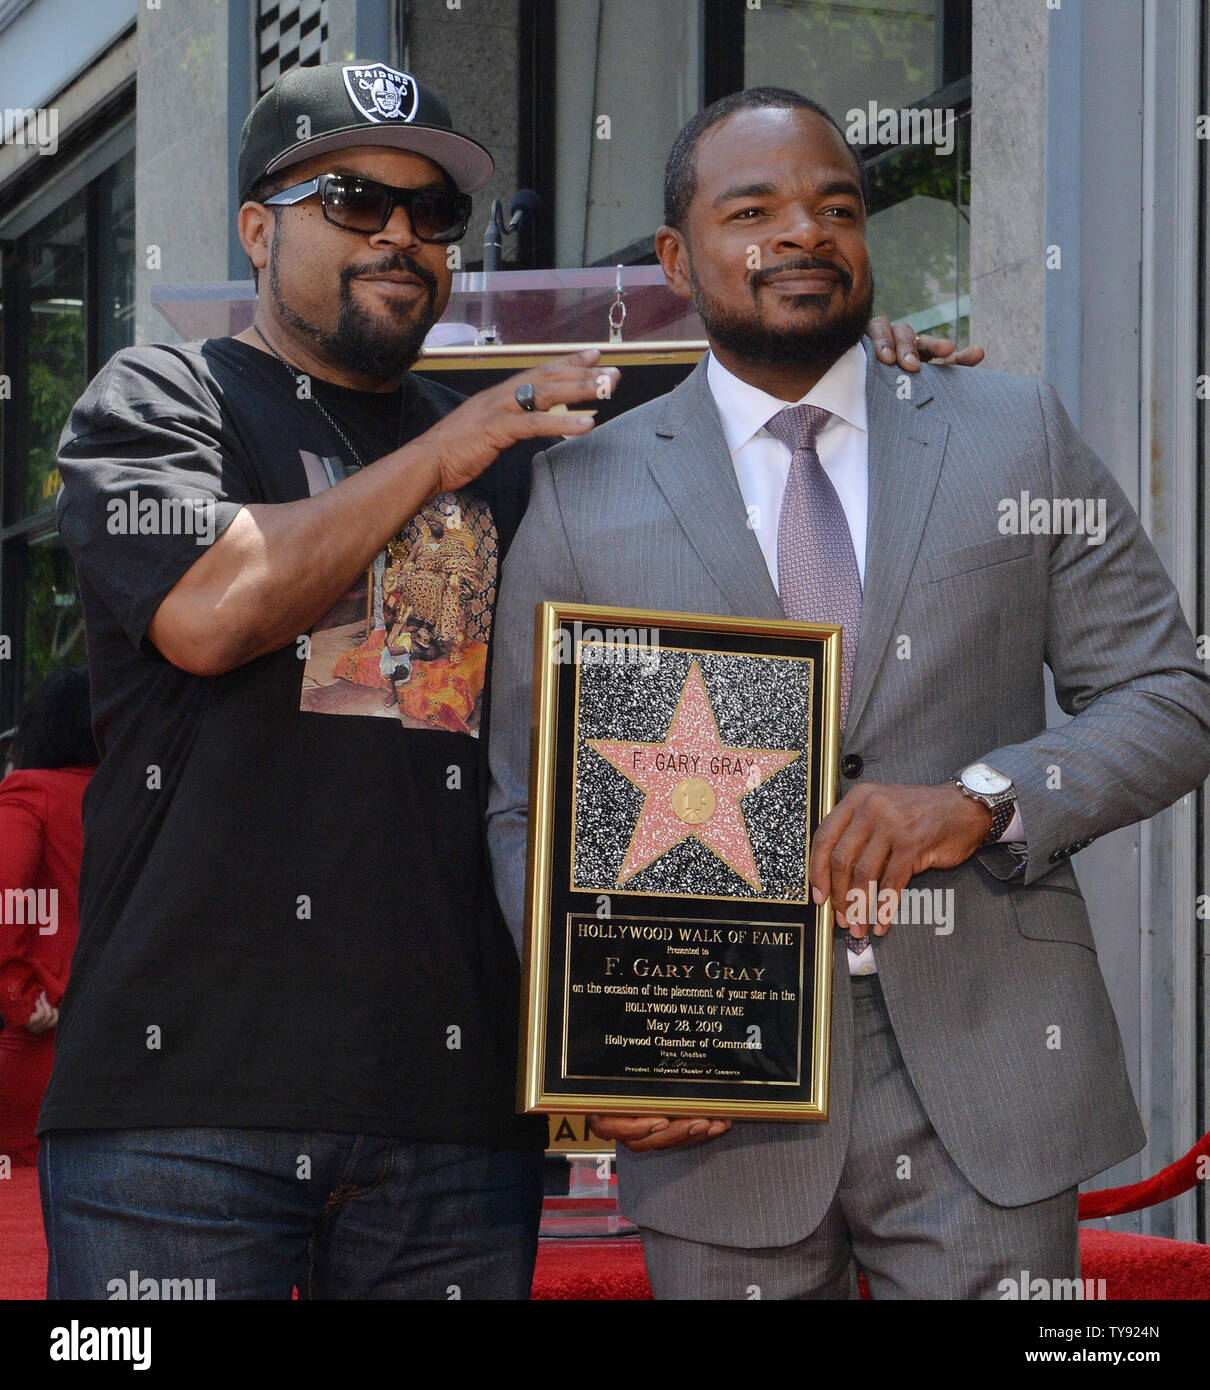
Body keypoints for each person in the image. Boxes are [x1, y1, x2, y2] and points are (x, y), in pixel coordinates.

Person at [41, 58, 973, 1300]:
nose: (399, 236)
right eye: (352, 201)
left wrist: (843, 367)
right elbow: (211, 616)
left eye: (433, 215)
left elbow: (646, 712)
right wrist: (443, 451)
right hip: (181, 1113)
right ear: (259, 231)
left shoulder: (525, 454)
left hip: (456, 1126)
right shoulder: (164, 398)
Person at [485, 87, 1210, 1299]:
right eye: (753, 209)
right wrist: (588, 1045)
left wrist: (983, 798)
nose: (802, 234)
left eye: (835, 206)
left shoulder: (1009, 430)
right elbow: (527, 809)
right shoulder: (582, 490)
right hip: (710, 1079)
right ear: (677, 256)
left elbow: (1166, 695)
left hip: (986, 1062)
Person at [0, 667, 96, 1166]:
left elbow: (4, 895)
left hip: (45, 1036)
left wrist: (17, 993)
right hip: (131, 1044)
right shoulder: (139, 798)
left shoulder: (30, 792)